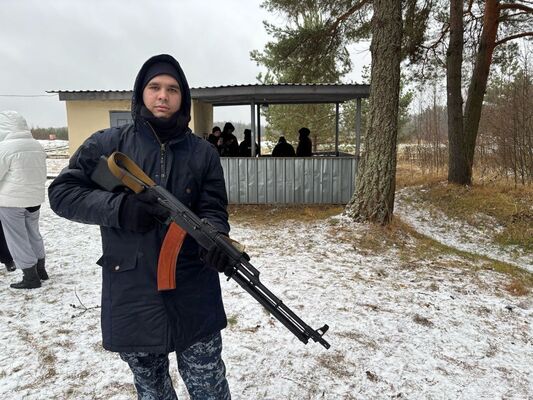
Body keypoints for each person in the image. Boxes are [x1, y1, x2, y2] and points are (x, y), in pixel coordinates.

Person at [48, 54, 232, 399]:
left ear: (183, 97)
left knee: (210, 387)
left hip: (194, 286)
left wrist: (217, 238)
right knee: (152, 390)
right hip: (132, 289)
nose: (163, 96)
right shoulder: (107, 144)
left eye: (172, 89)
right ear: (141, 92)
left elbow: (213, 207)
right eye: (155, 87)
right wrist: (120, 209)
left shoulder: (203, 153)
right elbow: (62, 194)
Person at [0, 110, 48, 289]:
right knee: (34, 234)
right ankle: (41, 270)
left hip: (11, 202)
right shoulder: (36, 145)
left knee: (17, 239)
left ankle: (30, 277)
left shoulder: (5, 148)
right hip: (34, 199)